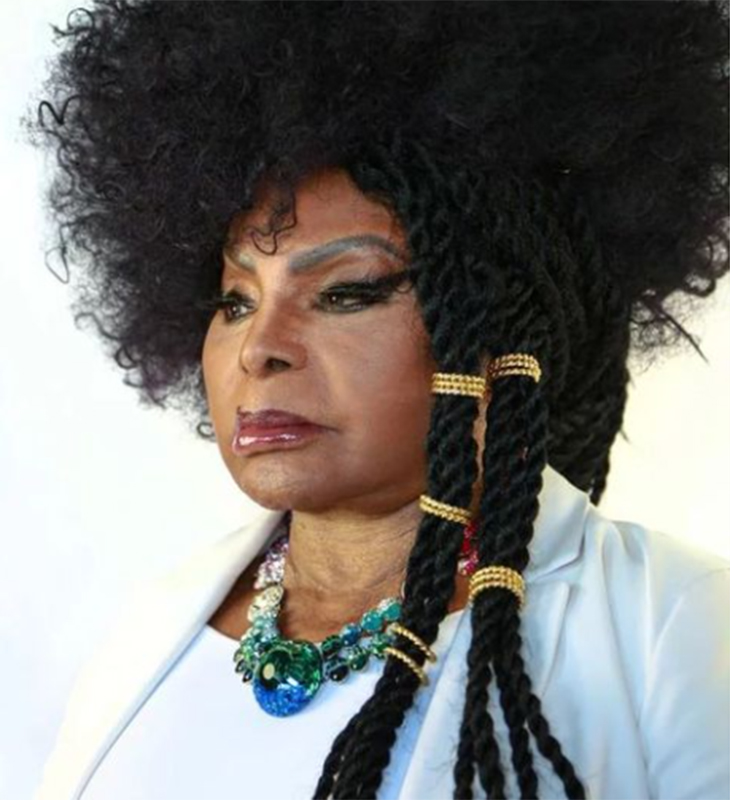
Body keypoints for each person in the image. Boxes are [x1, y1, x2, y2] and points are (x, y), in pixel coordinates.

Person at [26, 2, 729, 799]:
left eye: (348, 292)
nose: (260, 348)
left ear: (496, 326)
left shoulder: (676, 629)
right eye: (235, 301)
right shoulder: (150, 632)